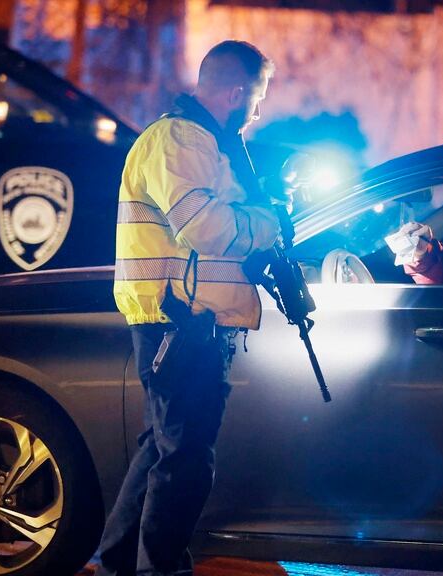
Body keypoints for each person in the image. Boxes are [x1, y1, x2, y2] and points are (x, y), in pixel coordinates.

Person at [83, 41, 281, 576]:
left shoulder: (200, 142)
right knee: (186, 457)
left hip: (185, 319)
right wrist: (267, 222)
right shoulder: (181, 139)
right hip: (180, 320)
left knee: (163, 447)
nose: (258, 111)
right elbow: (206, 227)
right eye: (258, 97)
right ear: (238, 92)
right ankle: (162, 568)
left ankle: (119, 561)